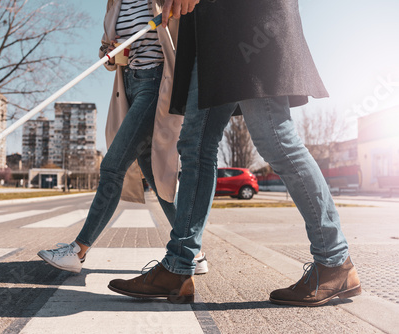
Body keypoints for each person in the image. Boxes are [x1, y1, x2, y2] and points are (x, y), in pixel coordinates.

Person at [108, 0, 361, 306]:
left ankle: (335, 262)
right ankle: (178, 266)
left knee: (275, 139)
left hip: (249, 17)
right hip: (209, 27)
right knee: (194, 145)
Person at [37, 0, 209, 275]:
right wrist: (108, 51)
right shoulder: (115, 3)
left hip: (156, 85)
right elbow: (112, 53)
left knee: (112, 167)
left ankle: (79, 249)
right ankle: (194, 253)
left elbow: (180, 31)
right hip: (128, 86)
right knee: (156, 177)